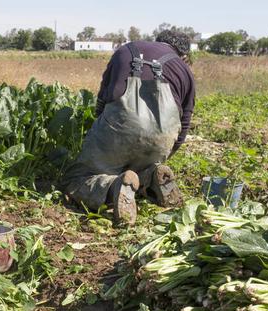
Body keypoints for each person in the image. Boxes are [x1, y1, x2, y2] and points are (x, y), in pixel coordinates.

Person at [63, 31, 196, 225]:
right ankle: (151, 176)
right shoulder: (184, 69)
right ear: (183, 54)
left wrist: (102, 133)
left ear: (158, 41)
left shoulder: (127, 49)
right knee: (143, 165)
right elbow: (184, 125)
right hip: (161, 138)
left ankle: (114, 187)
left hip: (118, 127)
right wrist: (164, 153)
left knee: (77, 177)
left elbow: (102, 99)